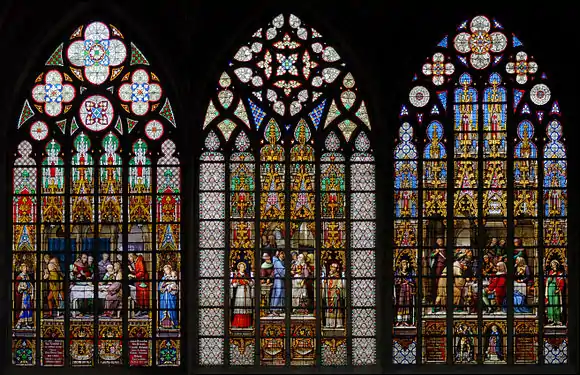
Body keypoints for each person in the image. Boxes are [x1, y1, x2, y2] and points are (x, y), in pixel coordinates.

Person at [394, 257, 415, 326]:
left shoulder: (409, 273)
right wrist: (399, 281)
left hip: (407, 290)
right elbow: (395, 282)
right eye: (403, 264)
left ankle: (406, 321)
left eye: (405, 263)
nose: (404, 265)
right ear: (401, 265)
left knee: (407, 305)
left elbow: (413, 281)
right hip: (400, 291)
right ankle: (399, 320)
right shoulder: (398, 272)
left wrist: (408, 282)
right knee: (400, 305)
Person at [323, 262, 344, 328]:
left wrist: (338, 290)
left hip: (335, 295)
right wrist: (325, 283)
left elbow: (340, 285)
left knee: (336, 309)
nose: (333, 269)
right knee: (329, 308)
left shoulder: (338, 277)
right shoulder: (329, 277)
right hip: (329, 294)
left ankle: (337, 324)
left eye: (334, 267)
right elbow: (326, 286)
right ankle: (329, 323)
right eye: (332, 267)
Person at [129, 253, 150, 317]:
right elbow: (138, 270)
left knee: (142, 295)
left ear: (132, 256)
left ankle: (144, 310)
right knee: (140, 295)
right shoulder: (137, 261)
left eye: (129, 257)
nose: (129, 259)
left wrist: (134, 276)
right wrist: (131, 270)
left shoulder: (139, 260)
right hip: (139, 281)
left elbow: (142, 272)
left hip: (142, 281)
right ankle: (142, 310)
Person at [545, 259, 565, 326]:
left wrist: (559, 289)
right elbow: (547, 281)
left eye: (555, 265)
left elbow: (562, 282)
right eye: (553, 265)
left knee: (556, 304)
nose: (554, 266)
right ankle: (552, 320)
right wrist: (552, 276)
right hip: (550, 289)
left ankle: (558, 320)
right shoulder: (550, 273)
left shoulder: (559, 273)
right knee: (551, 304)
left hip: (556, 291)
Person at [14, 263, 34, 329]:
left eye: (26, 267)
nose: (26, 269)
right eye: (25, 267)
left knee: (28, 308)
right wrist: (22, 288)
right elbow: (17, 287)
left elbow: (30, 285)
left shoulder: (27, 276)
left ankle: (26, 323)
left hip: (28, 295)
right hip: (23, 295)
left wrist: (32, 293)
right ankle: (20, 322)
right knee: (23, 308)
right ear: (22, 268)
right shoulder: (20, 276)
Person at [430, 237, 446, 303]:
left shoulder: (445, 249)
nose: (440, 242)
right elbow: (431, 255)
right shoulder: (435, 249)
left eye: (441, 241)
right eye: (439, 241)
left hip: (444, 265)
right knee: (437, 280)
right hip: (438, 265)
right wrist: (436, 252)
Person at [269, 250, 285, 316]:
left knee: (281, 293)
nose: (283, 255)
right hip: (278, 279)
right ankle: (274, 309)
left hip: (281, 279)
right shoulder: (277, 262)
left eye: (283, 254)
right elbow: (281, 270)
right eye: (281, 254)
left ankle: (278, 309)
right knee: (278, 293)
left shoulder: (281, 262)